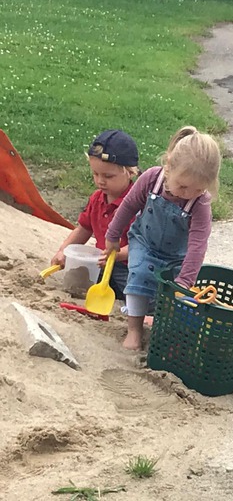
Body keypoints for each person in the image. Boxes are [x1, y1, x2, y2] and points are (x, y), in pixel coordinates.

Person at [105, 126, 221, 350]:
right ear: (169, 166)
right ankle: (134, 329)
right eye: (184, 186)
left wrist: (185, 281)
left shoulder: (201, 203)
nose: (188, 194)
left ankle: (161, 327)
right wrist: (113, 235)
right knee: (138, 277)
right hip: (145, 241)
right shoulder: (151, 179)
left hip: (177, 254)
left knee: (170, 293)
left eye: (198, 189)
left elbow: (198, 245)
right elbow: (128, 206)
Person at [51, 130, 140, 300]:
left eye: (108, 176)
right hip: (101, 260)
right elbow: (84, 228)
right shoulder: (97, 198)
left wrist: (117, 255)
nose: (100, 181)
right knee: (77, 279)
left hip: (129, 266)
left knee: (135, 296)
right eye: (95, 174)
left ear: (130, 172)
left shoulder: (137, 204)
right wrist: (63, 251)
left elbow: (143, 244)